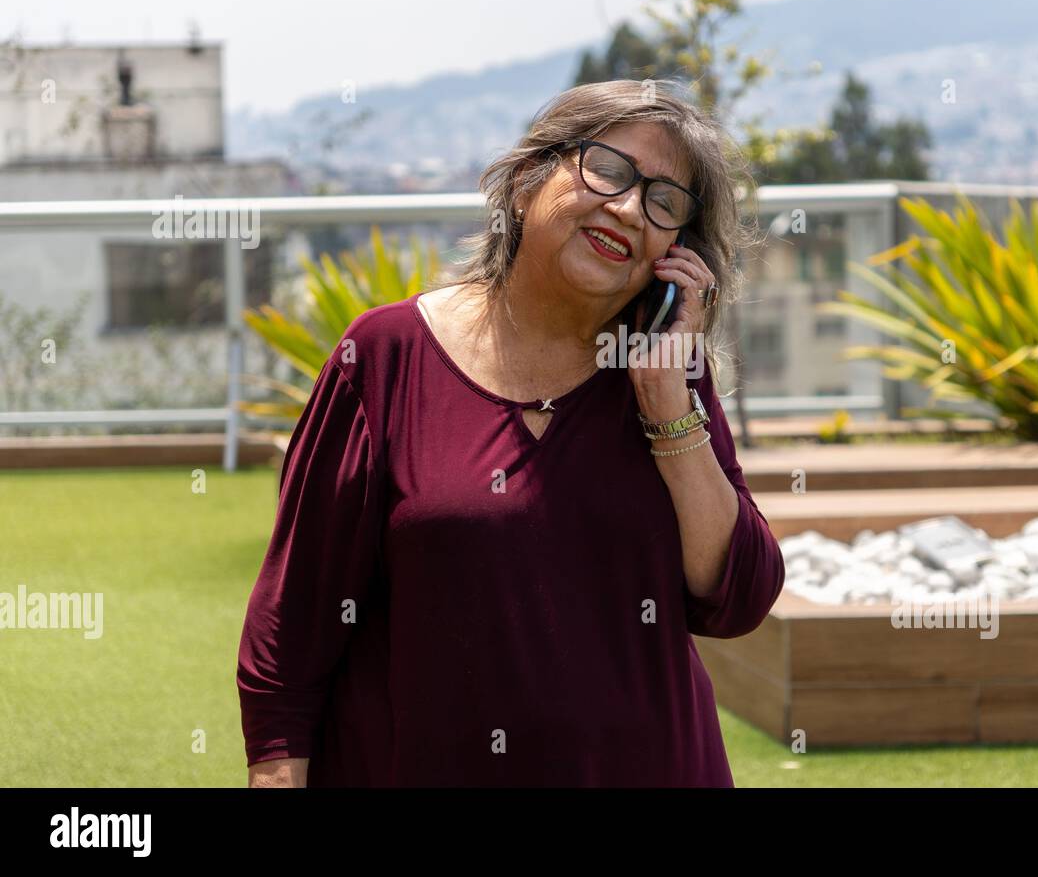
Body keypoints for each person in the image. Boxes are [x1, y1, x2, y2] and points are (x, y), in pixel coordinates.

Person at [237, 79, 786, 787]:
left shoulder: (664, 378)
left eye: (664, 201)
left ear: (675, 251)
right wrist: (277, 771)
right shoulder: (383, 356)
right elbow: (296, 613)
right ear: (529, 180)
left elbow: (737, 596)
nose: (627, 208)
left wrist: (668, 410)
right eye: (609, 170)